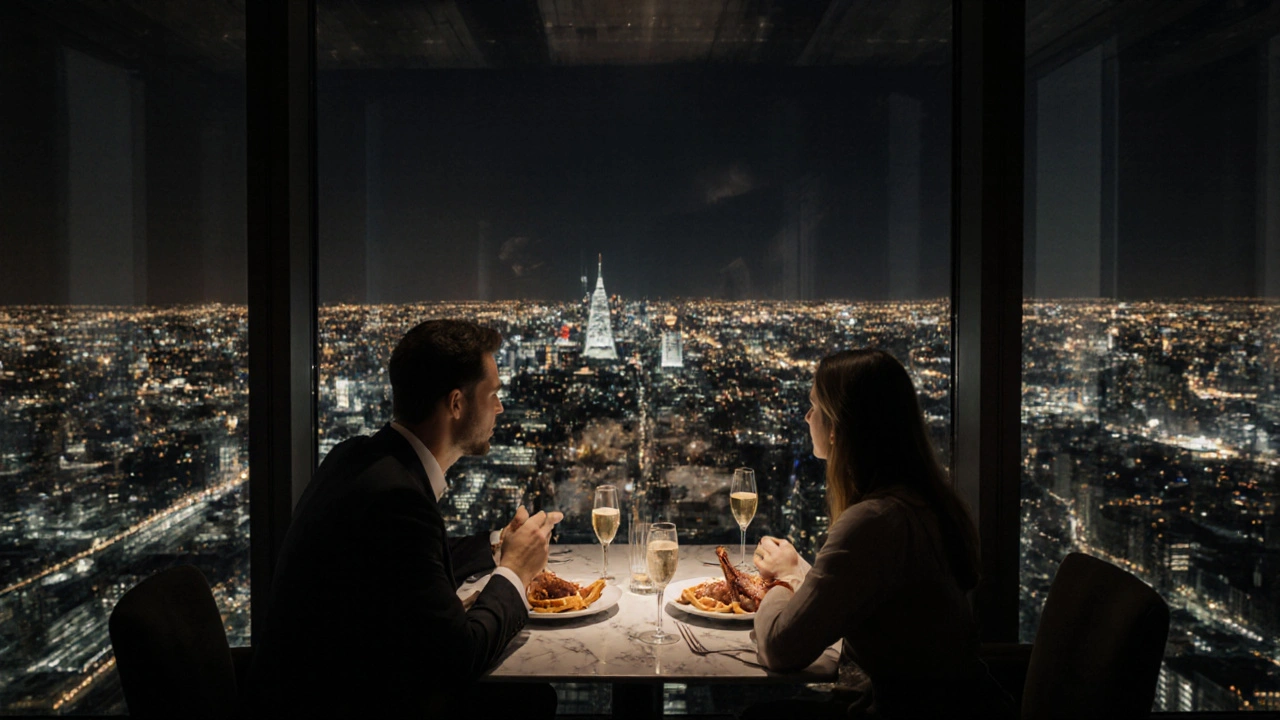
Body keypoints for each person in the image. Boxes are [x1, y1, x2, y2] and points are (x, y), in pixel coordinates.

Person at [245, 320, 559, 718]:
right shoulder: (397, 499)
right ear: (456, 404)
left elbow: (411, 564)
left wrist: (496, 545)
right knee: (531, 701)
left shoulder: (357, 457)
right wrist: (514, 570)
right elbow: (457, 658)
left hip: (318, 689)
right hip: (341, 706)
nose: (499, 406)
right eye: (492, 394)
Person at [745, 349, 1012, 720]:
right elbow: (858, 594)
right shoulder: (925, 503)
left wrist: (785, 577)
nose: (807, 417)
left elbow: (779, 648)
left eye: (814, 406)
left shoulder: (875, 522)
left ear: (838, 426)